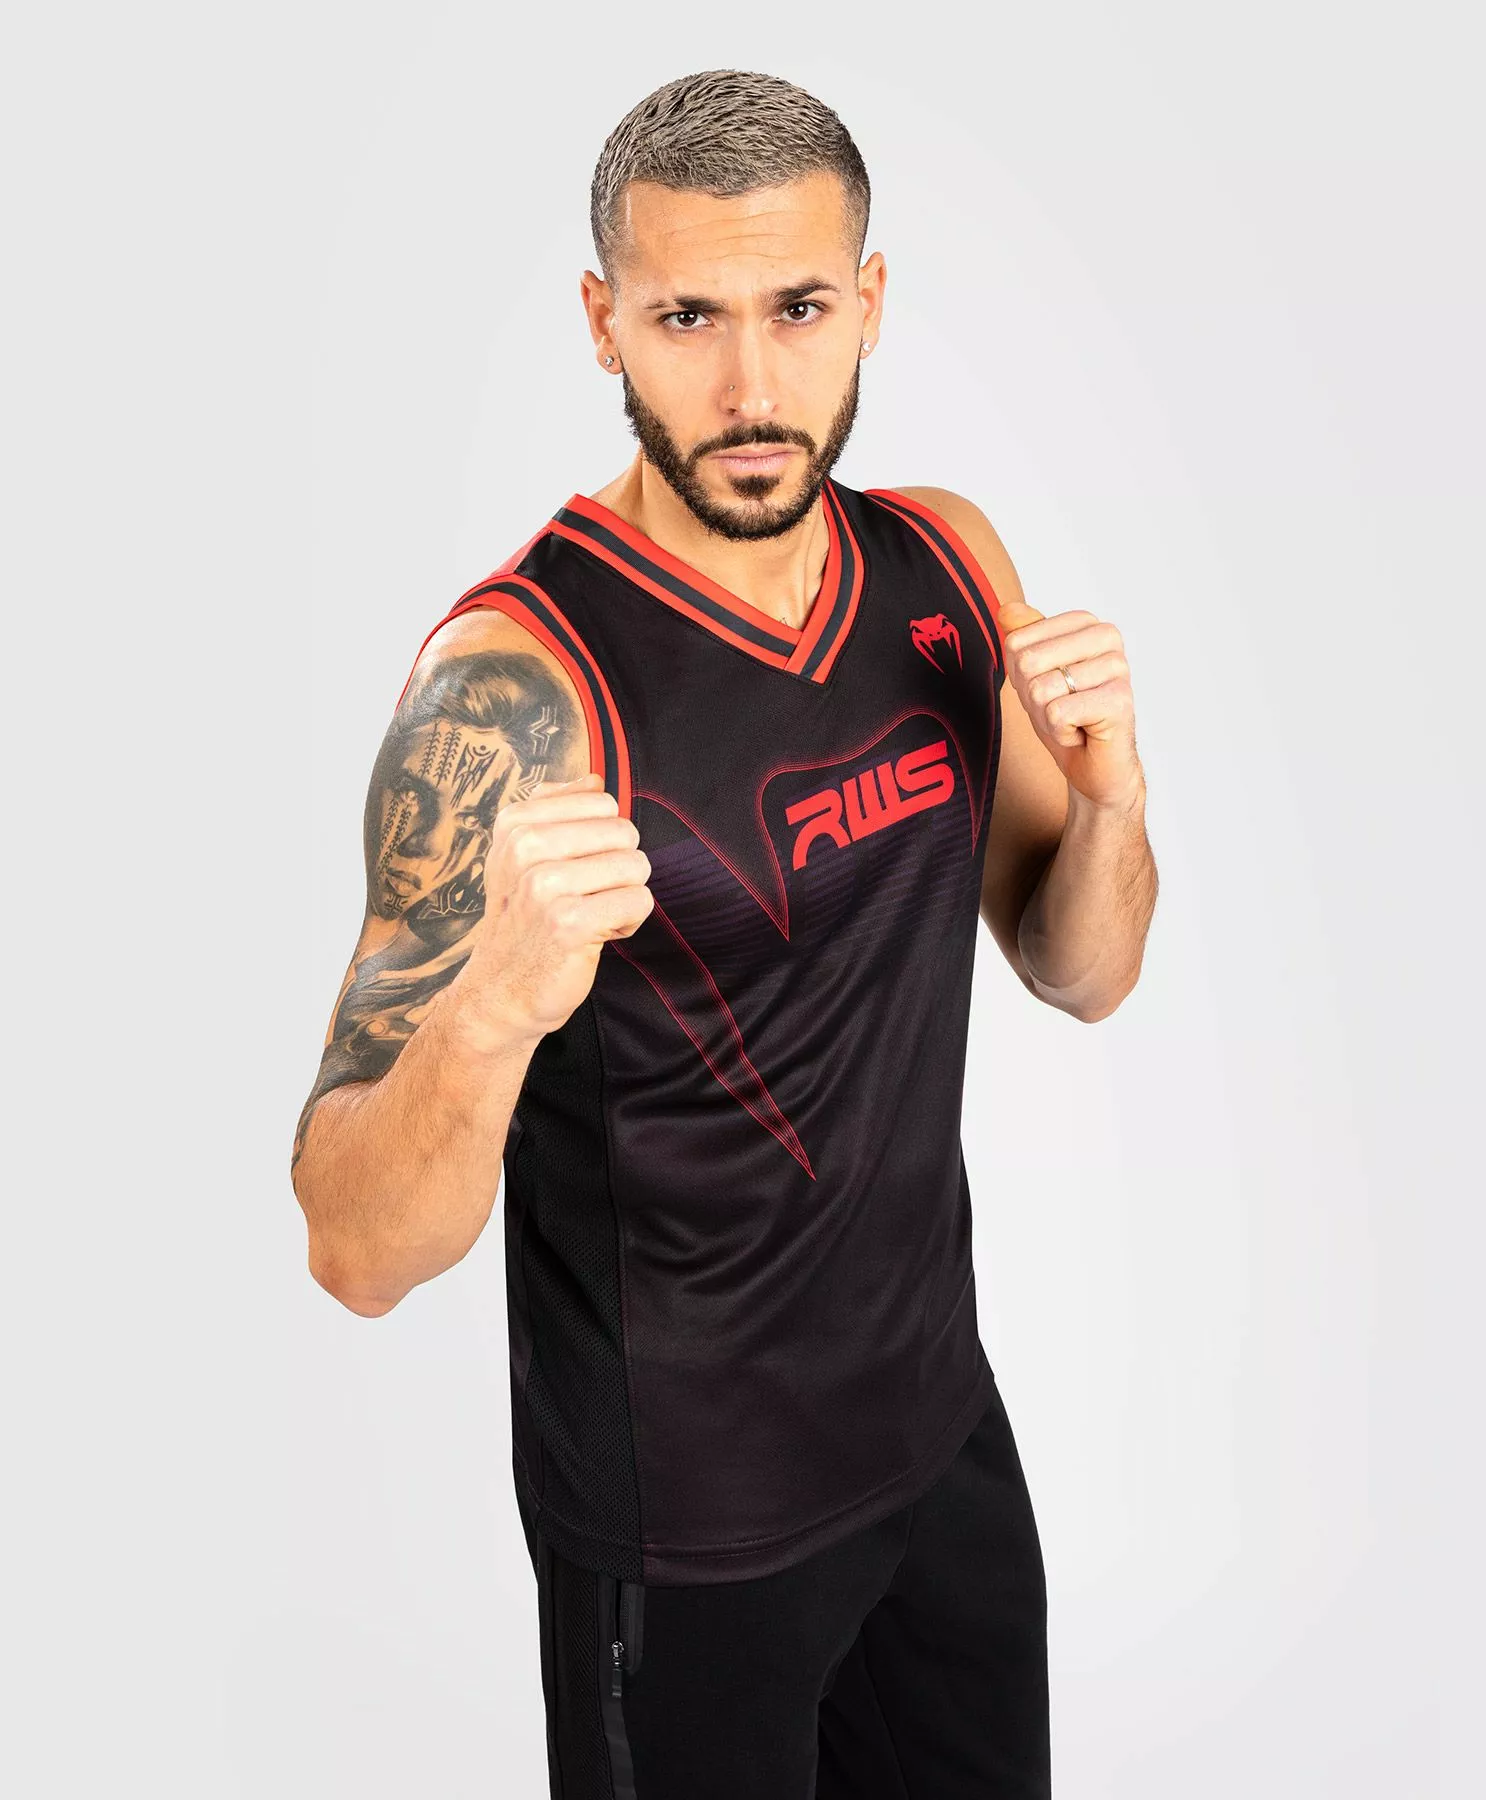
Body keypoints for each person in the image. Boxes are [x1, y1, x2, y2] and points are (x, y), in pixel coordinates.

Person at [291, 66, 1157, 1800]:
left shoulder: (944, 565)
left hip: (940, 1447)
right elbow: (355, 1249)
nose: (752, 388)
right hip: (688, 1539)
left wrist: (1112, 805)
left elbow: (1081, 972)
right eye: (688, 316)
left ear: (871, 303)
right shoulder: (516, 687)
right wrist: (493, 1007)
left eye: (797, 308)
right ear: (604, 320)